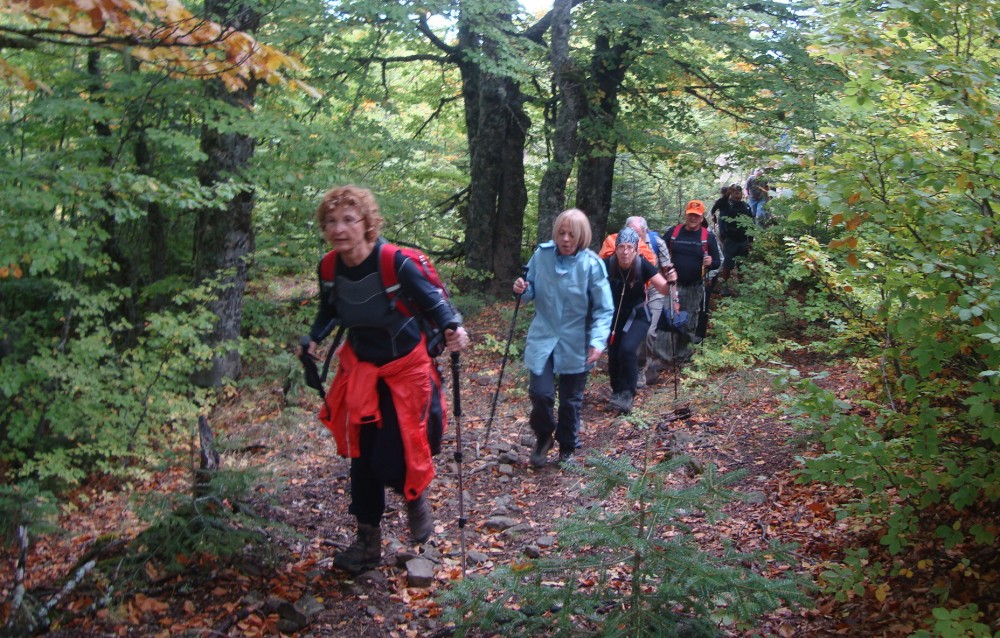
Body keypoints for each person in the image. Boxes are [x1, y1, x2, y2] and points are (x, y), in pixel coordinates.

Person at [302, 185, 470, 573]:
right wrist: (313, 337)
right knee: (361, 460)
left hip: (405, 370)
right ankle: (366, 542)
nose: (339, 229)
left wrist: (452, 328)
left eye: (348, 219)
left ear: (367, 223)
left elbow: (434, 302)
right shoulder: (330, 268)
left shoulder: (394, 262)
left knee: (391, 460)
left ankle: (414, 496)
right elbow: (329, 312)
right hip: (362, 371)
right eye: (331, 221)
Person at [513, 209, 613, 467]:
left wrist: (598, 342)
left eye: (572, 234)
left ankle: (567, 447)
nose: (566, 239)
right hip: (543, 336)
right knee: (540, 393)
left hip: (577, 340)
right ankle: (544, 435)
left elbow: (604, 308)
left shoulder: (592, 264)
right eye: (561, 233)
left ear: (581, 236)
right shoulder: (542, 255)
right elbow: (529, 291)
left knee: (570, 401)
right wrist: (521, 289)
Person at [603, 226, 677, 414]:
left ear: (636, 248)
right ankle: (617, 391)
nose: (625, 252)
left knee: (627, 350)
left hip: (638, 316)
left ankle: (628, 393)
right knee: (613, 354)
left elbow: (663, 289)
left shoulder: (642, 264)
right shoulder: (607, 264)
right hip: (614, 317)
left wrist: (671, 281)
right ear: (616, 248)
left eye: (629, 247)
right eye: (621, 247)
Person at [662, 200, 722, 361]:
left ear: (702, 217)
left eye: (696, 215)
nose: (693, 218)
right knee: (668, 317)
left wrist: (711, 263)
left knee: (688, 322)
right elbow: (659, 248)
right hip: (671, 285)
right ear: (686, 214)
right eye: (690, 214)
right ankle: (665, 354)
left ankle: (683, 356)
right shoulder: (674, 232)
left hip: (694, 286)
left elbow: (717, 261)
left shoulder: (707, 237)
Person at [716, 185, 754, 296]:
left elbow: (751, 224)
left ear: (742, 193)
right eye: (735, 192)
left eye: (739, 191)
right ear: (731, 193)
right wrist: (724, 238)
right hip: (730, 240)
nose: (737, 193)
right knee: (727, 265)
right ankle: (724, 288)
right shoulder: (727, 206)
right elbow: (722, 222)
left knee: (742, 265)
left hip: (743, 240)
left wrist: (750, 240)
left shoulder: (746, 206)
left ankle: (742, 288)